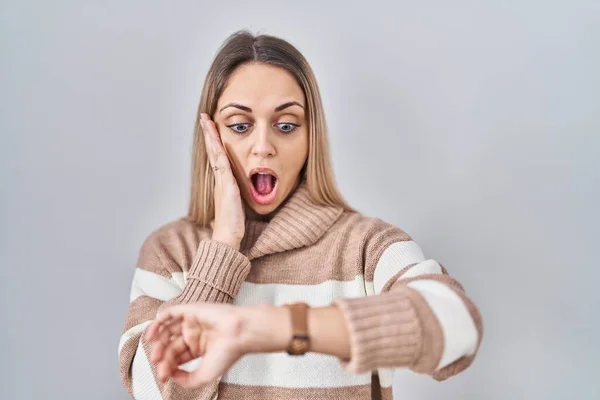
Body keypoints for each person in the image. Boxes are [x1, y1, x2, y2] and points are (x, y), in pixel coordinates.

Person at [118, 30, 483, 400]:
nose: (263, 147)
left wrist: (276, 328)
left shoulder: (366, 247)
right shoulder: (170, 251)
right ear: (210, 134)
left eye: (286, 125)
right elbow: (152, 392)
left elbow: (460, 329)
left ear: (311, 137)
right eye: (240, 126)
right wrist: (223, 248)